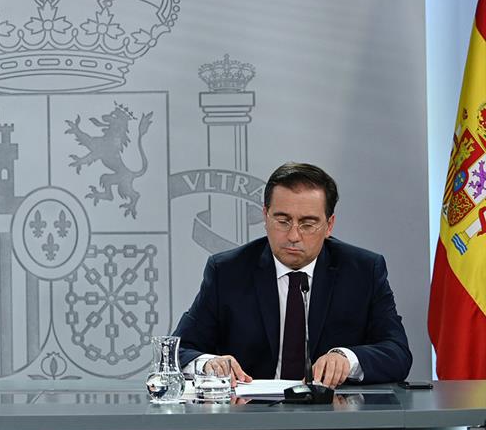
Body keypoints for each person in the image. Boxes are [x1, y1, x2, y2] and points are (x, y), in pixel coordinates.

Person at [173, 162, 411, 387]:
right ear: (265, 216)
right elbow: (178, 351)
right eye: (283, 221)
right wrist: (208, 364)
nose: (294, 236)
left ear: (329, 225)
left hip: (333, 418)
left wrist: (347, 358)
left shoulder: (362, 271)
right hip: (248, 419)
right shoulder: (227, 271)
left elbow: (398, 353)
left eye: (308, 224)